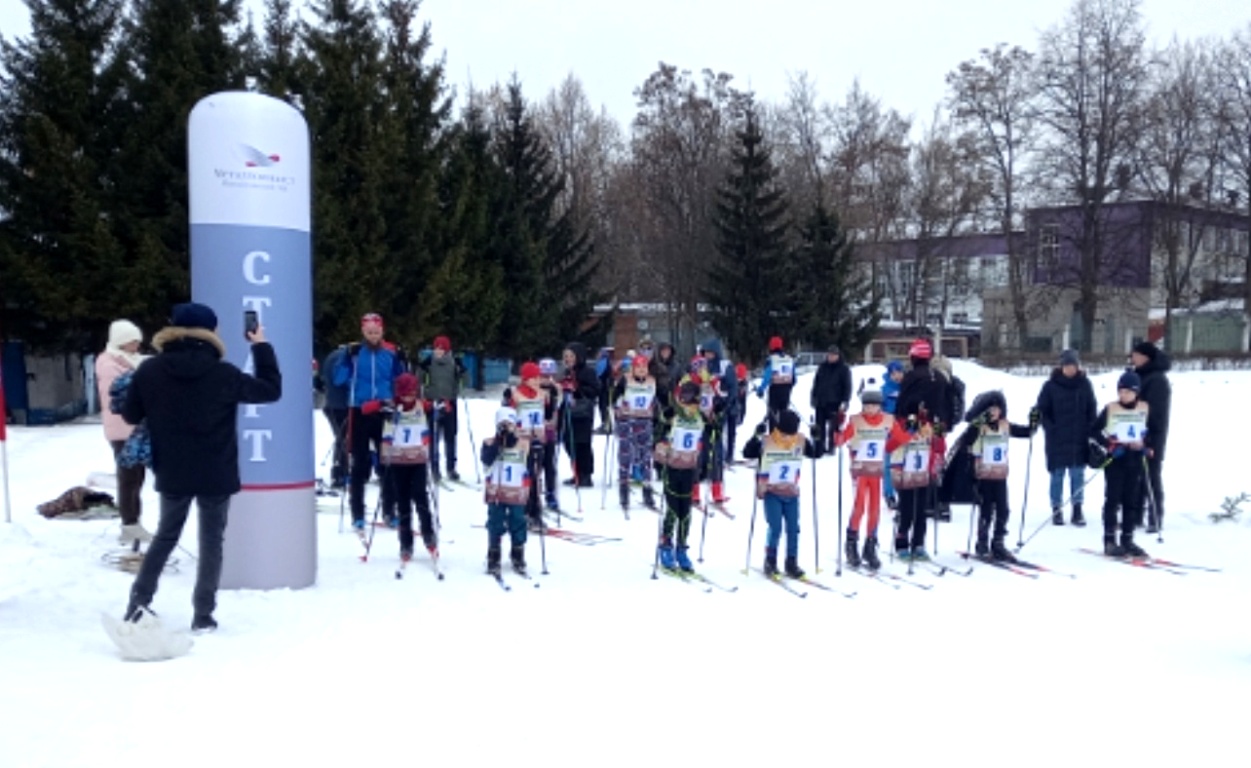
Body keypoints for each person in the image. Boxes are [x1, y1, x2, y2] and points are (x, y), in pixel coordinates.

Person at [120, 302, 282, 633]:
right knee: (212, 542)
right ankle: (203, 615)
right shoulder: (223, 373)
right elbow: (270, 390)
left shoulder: (150, 371)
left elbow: (131, 415)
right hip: (215, 469)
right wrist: (260, 345)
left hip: (173, 468)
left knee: (166, 535)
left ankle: (138, 603)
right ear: (210, 332)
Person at [335, 313, 406, 531]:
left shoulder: (390, 353)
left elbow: (403, 380)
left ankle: (389, 510)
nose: (373, 336)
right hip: (360, 410)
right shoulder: (355, 352)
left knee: (388, 463)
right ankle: (357, 512)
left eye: (376, 332)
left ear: (382, 331)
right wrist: (345, 359)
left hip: (384, 410)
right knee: (360, 462)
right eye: (369, 332)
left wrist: (403, 361)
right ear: (363, 332)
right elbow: (339, 379)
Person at [948, 391, 1037, 561]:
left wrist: (1034, 422)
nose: (994, 413)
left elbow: (1026, 432)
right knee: (986, 510)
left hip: (1000, 475)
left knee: (1003, 510)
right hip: (983, 476)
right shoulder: (979, 427)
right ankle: (982, 542)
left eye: (997, 409)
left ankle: (998, 542)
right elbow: (967, 440)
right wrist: (977, 422)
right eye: (990, 410)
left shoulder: (1005, 425)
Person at [742, 408, 821, 578]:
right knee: (775, 527)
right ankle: (770, 560)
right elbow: (747, 452)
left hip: (791, 493)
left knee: (793, 529)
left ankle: (791, 562)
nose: (787, 439)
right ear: (778, 429)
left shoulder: (800, 440)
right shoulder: (768, 441)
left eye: (791, 435)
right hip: (771, 491)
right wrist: (756, 435)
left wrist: (818, 437)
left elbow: (817, 453)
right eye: (784, 434)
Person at [95, 319, 151, 545]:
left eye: (138, 340)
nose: (136, 345)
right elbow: (120, 392)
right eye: (131, 341)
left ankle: (134, 521)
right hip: (122, 428)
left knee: (138, 477)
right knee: (128, 478)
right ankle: (129, 524)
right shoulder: (108, 363)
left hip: (137, 427)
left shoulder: (132, 361)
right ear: (120, 341)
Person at [1090, 371, 1151, 557]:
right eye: (1120, 391)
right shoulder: (1111, 408)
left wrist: (1147, 446)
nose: (1123, 395)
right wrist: (1109, 444)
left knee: (1130, 502)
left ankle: (1128, 539)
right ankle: (1109, 540)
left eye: (1127, 391)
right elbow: (1093, 430)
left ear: (1136, 392)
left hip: (1135, 459)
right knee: (1113, 500)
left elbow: (1152, 430)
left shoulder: (1144, 408)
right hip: (1116, 460)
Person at [1036, 349, 1097, 526]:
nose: (1070, 369)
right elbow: (1042, 410)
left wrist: (1092, 430)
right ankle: (1056, 508)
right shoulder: (1050, 386)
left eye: (1073, 366)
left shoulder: (1085, 384)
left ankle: (1077, 509)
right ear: (1061, 367)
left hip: (1079, 437)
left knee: (1077, 474)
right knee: (1057, 475)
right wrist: (1049, 427)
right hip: (1057, 438)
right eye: (1067, 366)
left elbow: (1091, 409)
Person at [835, 387, 893, 570]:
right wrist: (838, 427)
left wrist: (912, 427)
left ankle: (870, 544)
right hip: (860, 471)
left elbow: (899, 439)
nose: (870, 409)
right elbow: (840, 440)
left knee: (875, 509)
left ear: (880, 406)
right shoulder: (856, 421)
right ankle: (851, 543)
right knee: (859, 507)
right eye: (867, 406)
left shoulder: (888, 420)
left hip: (876, 471)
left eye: (874, 406)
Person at [381, 372, 437, 562]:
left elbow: (437, 406)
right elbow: (369, 411)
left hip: (418, 460)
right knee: (403, 502)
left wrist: (441, 407)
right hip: (398, 461)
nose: (409, 398)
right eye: (405, 395)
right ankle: (406, 543)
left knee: (421, 497)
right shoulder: (392, 408)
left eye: (412, 394)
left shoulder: (422, 406)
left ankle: (428, 533)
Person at [653, 381, 706, 572]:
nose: (687, 403)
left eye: (691, 398)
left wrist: (720, 412)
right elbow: (658, 433)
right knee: (673, 509)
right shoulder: (674, 414)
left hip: (689, 468)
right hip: (672, 468)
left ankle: (681, 547)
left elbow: (713, 427)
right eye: (684, 397)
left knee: (686, 512)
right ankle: (666, 544)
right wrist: (663, 420)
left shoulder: (699, 417)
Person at [481, 407, 537, 576]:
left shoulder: (523, 444)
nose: (506, 428)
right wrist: (499, 442)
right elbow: (486, 459)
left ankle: (518, 553)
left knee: (518, 520)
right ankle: (493, 553)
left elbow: (530, 469)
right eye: (502, 424)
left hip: (516, 491)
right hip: (496, 492)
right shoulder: (489, 442)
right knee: (495, 521)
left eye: (509, 424)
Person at [503, 361, 554, 527]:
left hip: (538, 440)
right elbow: (508, 415)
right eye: (533, 378)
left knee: (535, 477)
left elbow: (548, 413)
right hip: (521, 441)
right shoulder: (516, 394)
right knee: (525, 477)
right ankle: (520, 511)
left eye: (538, 377)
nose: (537, 381)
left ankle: (534, 512)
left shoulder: (542, 394)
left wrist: (552, 398)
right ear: (525, 379)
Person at [1130, 341, 1171, 532]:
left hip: (1152, 435)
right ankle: (1136, 515)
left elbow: (1156, 412)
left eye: (1136, 355)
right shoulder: (1138, 376)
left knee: (1151, 475)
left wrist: (1146, 430)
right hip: (1134, 433)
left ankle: (1155, 517)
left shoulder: (1157, 380)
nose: (1132, 358)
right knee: (1136, 476)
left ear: (1146, 357)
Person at [611, 354, 660, 510]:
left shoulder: (652, 381)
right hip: (627, 421)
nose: (641, 370)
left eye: (644, 367)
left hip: (645, 421)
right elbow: (614, 398)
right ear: (633, 368)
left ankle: (647, 492)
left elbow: (655, 400)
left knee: (646, 457)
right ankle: (624, 491)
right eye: (638, 367)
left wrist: (657, 411)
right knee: (626, 456)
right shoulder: (626, 380)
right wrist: (618, 408)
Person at [419, 335, 466, 483]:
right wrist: (421, 368)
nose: (438, 351)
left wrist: (462, 371)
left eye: (442, 348)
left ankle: (451, 468)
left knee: (450, 436)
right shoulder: (429, 362)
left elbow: (465, 381)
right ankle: (434, 468)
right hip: (432, 403)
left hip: (449, 402)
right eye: (436, 348)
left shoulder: (453, 362)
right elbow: (419, 380)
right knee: (433, 437)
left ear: (447, 350)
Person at [558, 341, 599, 487]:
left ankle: (586, 474)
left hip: (583, 412)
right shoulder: (567, 372)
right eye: (565, 356)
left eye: (570, 356)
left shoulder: (587, 371)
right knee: (569, 442)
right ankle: (576, 471)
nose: (567, 359)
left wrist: (577, 388)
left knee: (582, 443)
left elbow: (594, 390)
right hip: (569, 411)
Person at [811, 344, 852, 454]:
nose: (831, 357)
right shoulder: (822, 367)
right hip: (821, 401)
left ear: (838, 356)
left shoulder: (843, 369)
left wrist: (845, 401)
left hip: (835, 402)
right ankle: (819, 447)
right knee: (819, 426)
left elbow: (847, 386)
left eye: (833, 355)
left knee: (833, 427)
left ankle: (831, 447)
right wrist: (813, 397)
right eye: (829, 355)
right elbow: (816, 383)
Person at [320, 344, 351, 489]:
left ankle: (341, 471)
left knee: (341, 438)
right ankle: (340, 473)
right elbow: (343, 381)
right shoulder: (345, 358)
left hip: (332, 404)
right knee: (344, 439)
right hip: (342, 404)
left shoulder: (332, 356)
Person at [536, 358, 563, 510]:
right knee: (536, 463)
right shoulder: (535, 388)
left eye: (549, 376)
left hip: (550, 430)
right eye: (543, 376)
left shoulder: (554, 389)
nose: (547, 379)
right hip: (536, 430)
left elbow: (557, 408)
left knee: (549, 463)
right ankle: (534, 493)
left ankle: (551, 493)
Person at [754, 336, 795, 430]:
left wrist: (761, 390)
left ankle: (773, 435)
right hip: (786, 390)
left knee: (772, 414)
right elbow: (794, 378)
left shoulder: (771, 359)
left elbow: (767, 377)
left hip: (774, 390)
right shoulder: (789, 359)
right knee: (784, 413)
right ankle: (784, 433)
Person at [881, 359, 904, 509]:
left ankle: (902, 491)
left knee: (901, 463)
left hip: (903, 429)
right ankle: (889, 494)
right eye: (894, 373)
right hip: (889, 430)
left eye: (899, 372)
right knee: (889, 464)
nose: (897, 376)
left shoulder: (906, 388)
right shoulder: (885, 390)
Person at [729, 362, 749, 462]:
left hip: (736, 411)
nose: (739, 380)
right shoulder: (731, 382)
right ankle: (727, 455)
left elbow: (743, 403)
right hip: (729, 411)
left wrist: (741, 416)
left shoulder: (744, 384)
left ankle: (730, 455)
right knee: (727, 433)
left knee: (731, 434)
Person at [594, 346, 615, 435]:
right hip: (604, 388)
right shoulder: (604, 362)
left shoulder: (603, 362)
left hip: (604, 388)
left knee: (604, 406)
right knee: (603, 406)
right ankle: (606, 424)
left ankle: (606, 425)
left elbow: (600, 375)